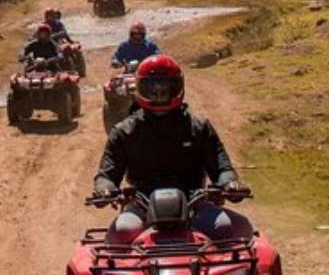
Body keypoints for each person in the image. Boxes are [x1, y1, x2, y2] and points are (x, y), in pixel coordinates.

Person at [92, 55, 253, 243]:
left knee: (225, 227)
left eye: (165, 88)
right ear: (139, 88)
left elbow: (221, 166)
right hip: (142, 201)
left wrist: (230, 183)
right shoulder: (124, 132)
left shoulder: (199, 127)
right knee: (122, 232)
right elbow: (107, 174)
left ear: (178, 87)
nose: (159, 95)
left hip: (194, 200)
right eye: (151, 89)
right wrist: (104, 189)